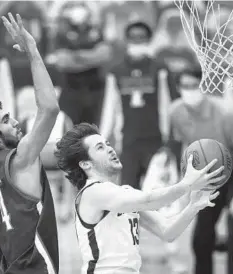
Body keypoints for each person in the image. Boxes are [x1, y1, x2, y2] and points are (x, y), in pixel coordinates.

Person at [55, 122, 225, 273]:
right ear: (85, 164)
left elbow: (167, 231)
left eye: (107, 143)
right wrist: (186, 184)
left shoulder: (125, 193)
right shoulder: (92, 193)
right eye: (100, 147)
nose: (110, 148)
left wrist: (193, 206)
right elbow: (149, 200)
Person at [0, 13, 60, 274]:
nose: (15, 121)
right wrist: (33, 52)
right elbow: (49, 108)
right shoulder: (21, 159)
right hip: (34, 268)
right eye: (6, 120)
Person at [168, 67, 233, 274]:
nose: (189, 90)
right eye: (184, 86)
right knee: (201, 240)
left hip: (231, 174)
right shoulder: (176, 111)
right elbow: (183, 144)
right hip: (208, 179)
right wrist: (183, 182)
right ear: (178, 88)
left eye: (194, 86)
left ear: (203, 86)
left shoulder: (224, 114)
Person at [105, 17, 178, 189]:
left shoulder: (159, 68)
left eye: (142, 37)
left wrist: (169, 138)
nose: (137, 41)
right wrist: (105, 136)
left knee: (158, 191)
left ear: (149, 39)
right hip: (129, 140)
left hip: (156, 138)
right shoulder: (116, 71)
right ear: (127, 39)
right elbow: (110, 108)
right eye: (133, 36)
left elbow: (167, 105)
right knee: (129, 190)